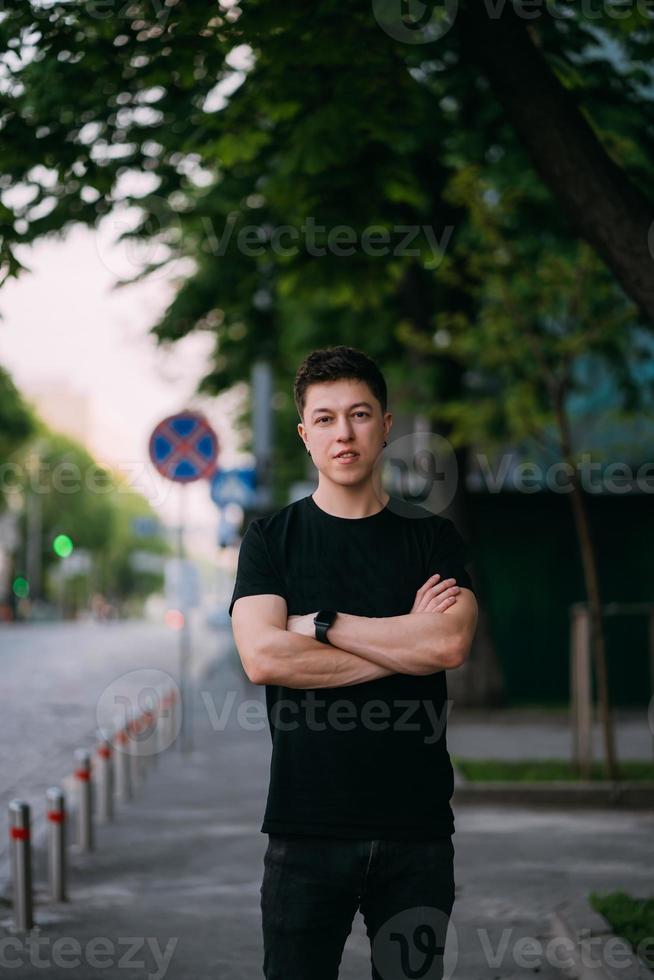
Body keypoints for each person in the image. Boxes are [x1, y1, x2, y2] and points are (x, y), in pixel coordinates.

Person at [229, 345, 478, 980]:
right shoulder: (270, 540)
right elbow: (262, 656)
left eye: (361, 414)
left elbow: (447, 646)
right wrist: (404, 647)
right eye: (326, 417)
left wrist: (321, 626)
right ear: (304, 433)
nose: (344, 432)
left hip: (417, 835)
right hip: (305, 832)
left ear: (386, 426)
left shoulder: (433, 538)